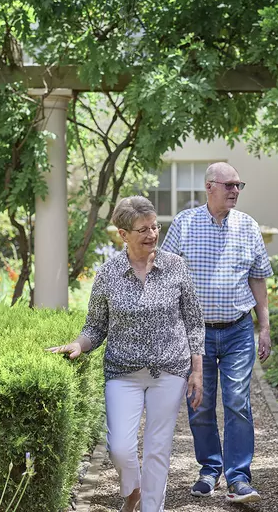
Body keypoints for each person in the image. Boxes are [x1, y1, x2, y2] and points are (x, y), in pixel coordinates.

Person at [48, 196, 205, 512]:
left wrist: (196, 370)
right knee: (119, 447)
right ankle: (132, 489)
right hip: (123, 372)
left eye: (154, 227)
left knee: (157, 448)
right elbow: (95, 325)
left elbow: (193, 319)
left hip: (170, 370)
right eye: (142, 230)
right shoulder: (108, 273)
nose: (151, 235)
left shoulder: (175, 266)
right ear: (122, 234)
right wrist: (80, 344)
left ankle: (150, 508)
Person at [160, 162, 273, 504]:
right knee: (200, 403)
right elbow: (166, 275)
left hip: (238, 330)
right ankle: (209, 469)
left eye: (239, 185)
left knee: (237, 402)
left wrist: (264, 326)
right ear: (209, 187)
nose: (236, 191)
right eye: (229, 185)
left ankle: (239, 478)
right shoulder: (184, 223)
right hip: (197, 335)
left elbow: (258, 277)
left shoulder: (248, 226)